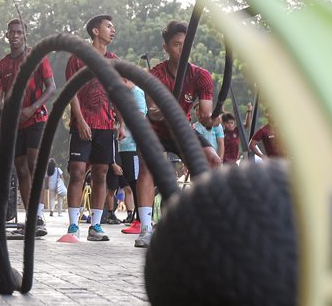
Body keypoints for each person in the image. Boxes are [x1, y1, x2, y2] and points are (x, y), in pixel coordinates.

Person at [134, 20, 221, 249]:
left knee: (213, 160)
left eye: (185, 44)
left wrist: (211, 118)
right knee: (146, 167)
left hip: (182, 129)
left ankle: (203, 219)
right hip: (155, 130)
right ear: (166, 48)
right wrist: (165, 107)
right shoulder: (155, 75)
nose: (181, 50)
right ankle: (145, 228)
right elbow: (152, 113)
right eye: (175, 44)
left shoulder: (201, 76)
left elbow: (206, 115)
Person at [0, 18, 57, 234]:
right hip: (13, 123)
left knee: (34, 162)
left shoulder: (36, 56)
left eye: (19, 32)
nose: (15, 35)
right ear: (7, 35)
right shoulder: (1, 65)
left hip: (36, 119)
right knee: (21, 169)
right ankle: (32, 219)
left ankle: (39, 215)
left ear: (25, 34)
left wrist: (33, 107)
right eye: (12, 32)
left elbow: (51, 87)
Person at [64, 15, 118, 242]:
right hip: (83, 125)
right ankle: (73, 225)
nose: (112, 30)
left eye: (113, 27)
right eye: (108, 26)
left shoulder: (114, 60)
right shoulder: (78, 58)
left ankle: (96, 225)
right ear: (96, 31)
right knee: (77, 171)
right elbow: (71, 92)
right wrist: (81, 121)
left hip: (106, 125)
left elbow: (117, 92)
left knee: (101, 173)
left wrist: (121, 123)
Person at [117, 76, 146, 230]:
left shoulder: (137, 93)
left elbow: (140, 117)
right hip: (125, 146)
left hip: (134, 146)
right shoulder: (126, 96)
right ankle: (137, 218)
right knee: (131, 182)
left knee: (136, 184)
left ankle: (141, 220)